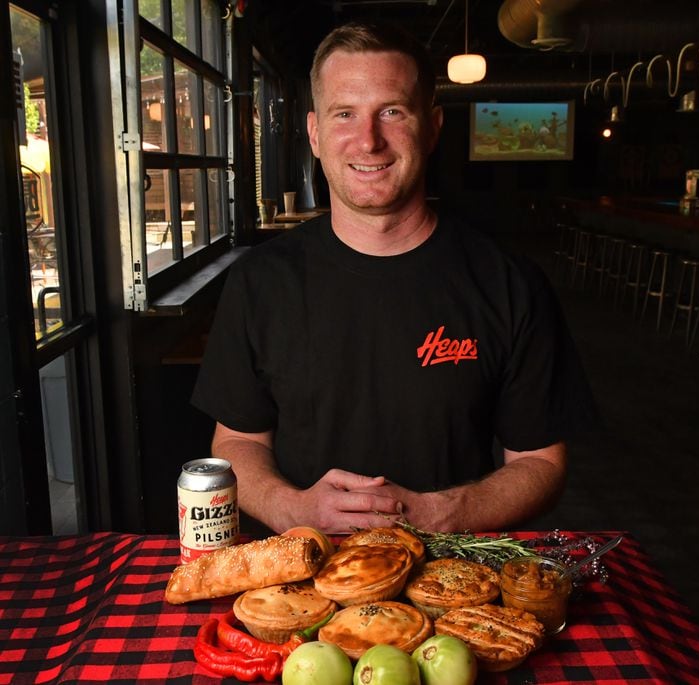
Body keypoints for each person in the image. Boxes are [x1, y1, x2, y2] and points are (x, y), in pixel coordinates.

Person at [191, 22, 594, 535]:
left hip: (452, 582)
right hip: (305, 578)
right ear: (315, 134)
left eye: (392, 112)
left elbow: (540, 462)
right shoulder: (259, 283)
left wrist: (437, 515)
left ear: (433, 127)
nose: (368, 140)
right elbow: (237, 443)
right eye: (345, 114)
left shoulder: (510, 282)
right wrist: (295, 510)